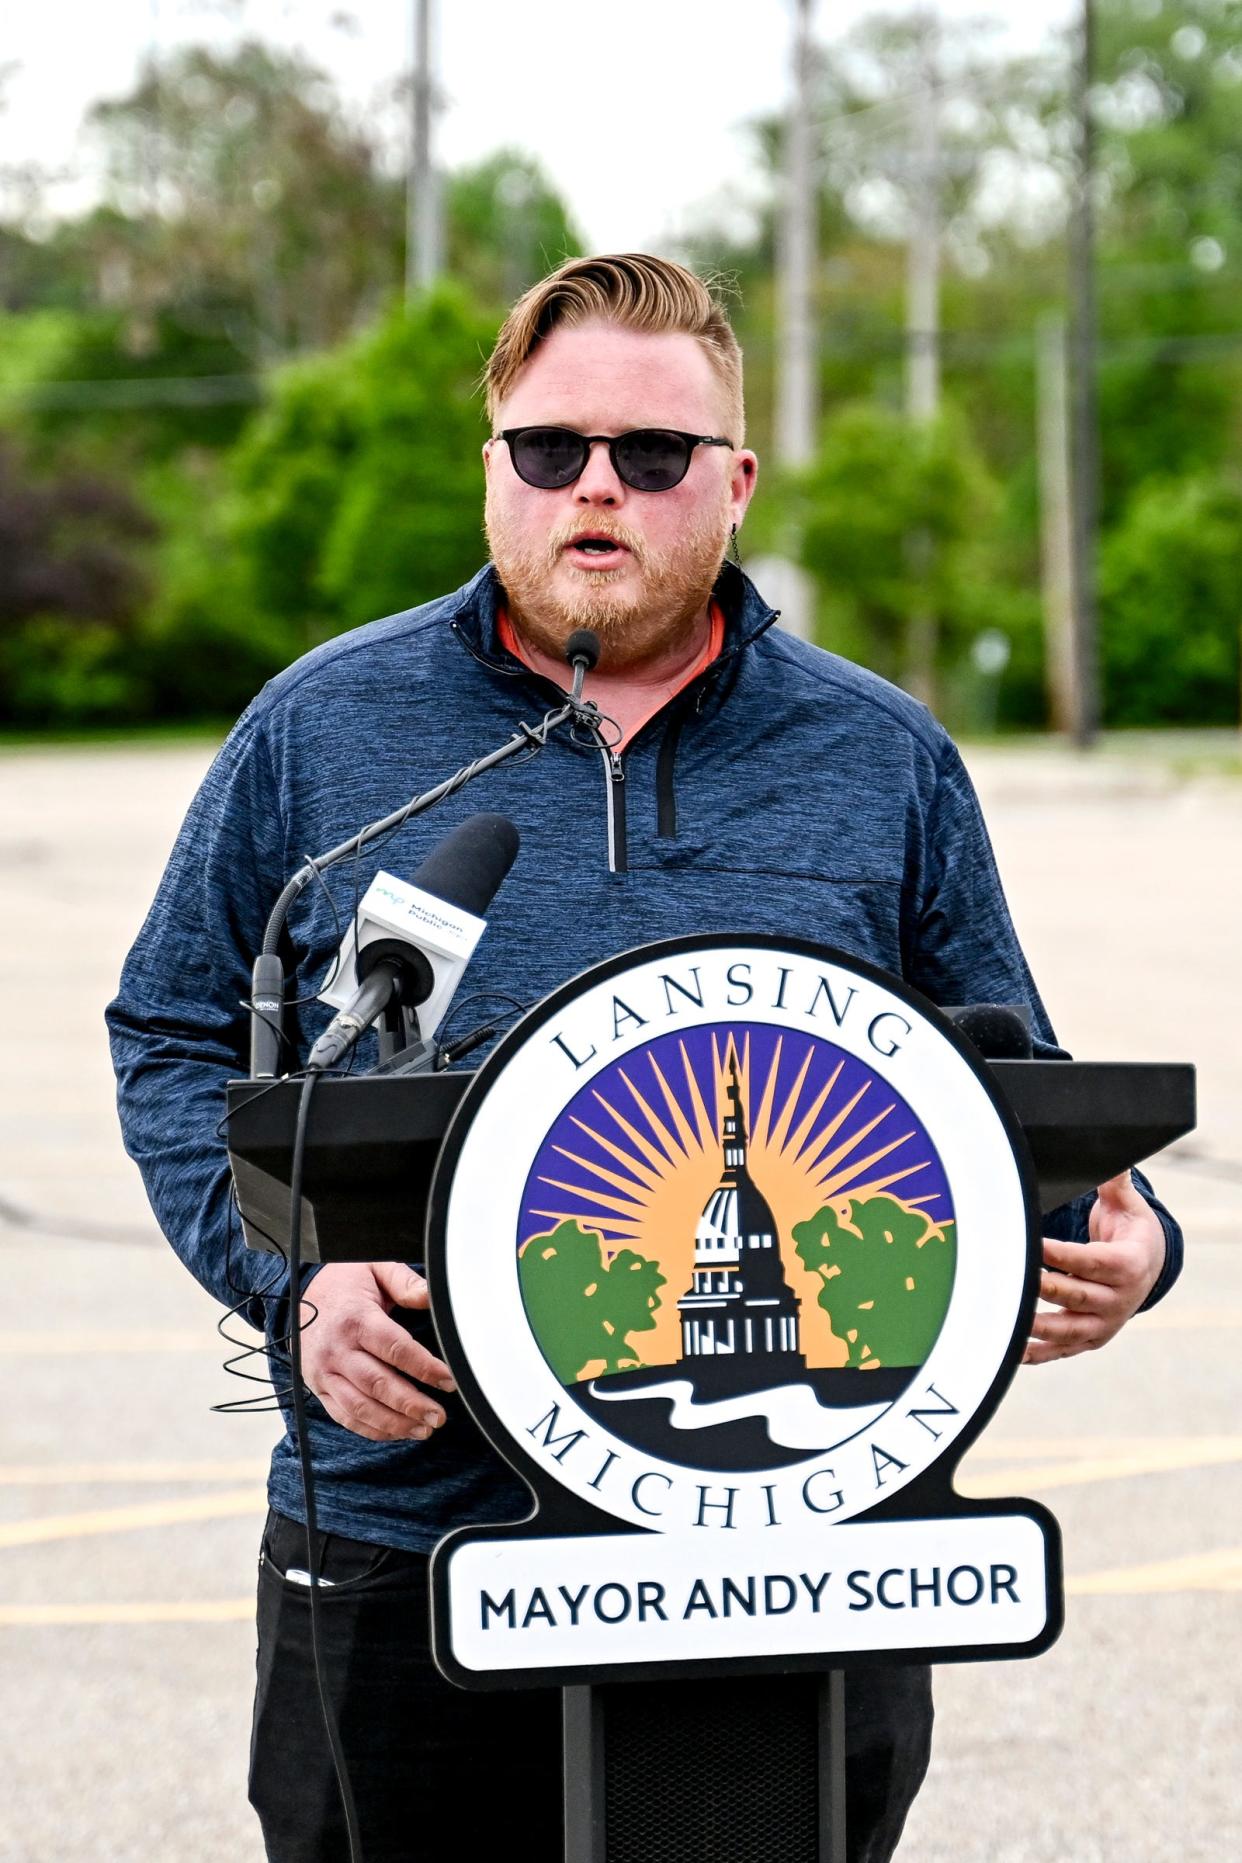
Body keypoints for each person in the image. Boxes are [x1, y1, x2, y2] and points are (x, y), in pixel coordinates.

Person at [107, 253, 1181, 1862]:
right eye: (549, 450)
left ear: (734, 484)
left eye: (651, 455)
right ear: (493, 472)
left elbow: (999, 1074)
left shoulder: (878, 756)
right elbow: (173, 1033)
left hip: (794, 1554)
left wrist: (1126, 1240)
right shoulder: (325, 730)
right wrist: (292, 1281)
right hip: (410, 1539)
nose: (593, 487)